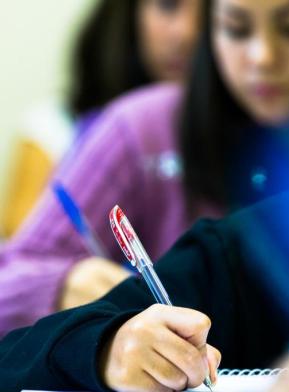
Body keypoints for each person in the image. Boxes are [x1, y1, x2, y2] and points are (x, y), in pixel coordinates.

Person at [1, 1, 289, 390]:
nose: (263, 57)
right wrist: (106, 341)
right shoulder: (240, 239)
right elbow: (20, 335)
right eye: (236, 29)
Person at [1, 0, 202, 237]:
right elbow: (24, 255)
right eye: (167, 5)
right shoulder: (53, 129)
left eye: (207, 11)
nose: (186, 33)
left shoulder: (243, 140)